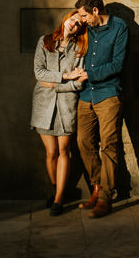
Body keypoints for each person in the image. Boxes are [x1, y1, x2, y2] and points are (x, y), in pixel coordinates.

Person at [72, 0, 129, 219]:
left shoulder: (119, 28)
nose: (82, 20)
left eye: (84, 15)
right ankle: (96, 186)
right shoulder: (85, 28)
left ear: (95, 10)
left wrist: (89, 74)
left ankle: (106, 197)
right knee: (83, 142)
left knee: (109, 145)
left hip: (107, 94)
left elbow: (117, 64)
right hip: (86, 95)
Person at [30, 11, 88, 216]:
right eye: (73, 18)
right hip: (43, 105)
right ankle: (57, 188)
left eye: (79, 24)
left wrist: (54, 84)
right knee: (51, 152)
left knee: (64, 151)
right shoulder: (44, 41)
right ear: (66, 19)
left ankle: (59, 199)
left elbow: (79, 83)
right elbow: (39, 73)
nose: (74, 23)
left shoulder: (80, 48)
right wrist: (66, 76)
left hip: (66, 105)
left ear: (80, 30)